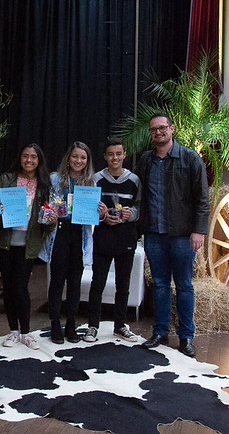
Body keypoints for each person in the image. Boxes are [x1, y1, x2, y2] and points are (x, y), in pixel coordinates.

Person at [137, 113, 209, 357]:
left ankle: (186, 336)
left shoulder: (190, 158)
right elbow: (140, 196)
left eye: (162, 128)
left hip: (182, 235)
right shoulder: (146, 160)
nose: (158, 132)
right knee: (159, 285)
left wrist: (198, 230)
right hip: (154, 234)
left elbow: (202, 198)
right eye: (153, 130)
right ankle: (160, 332)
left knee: (184, 286)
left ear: (172, 128)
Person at [0, 143, 53, 350]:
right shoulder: (5, 180)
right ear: (20, 158)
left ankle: (26, 332)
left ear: (39, 160)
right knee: (8, 288)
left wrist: (51, 219)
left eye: (33, 157)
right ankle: (13, 331)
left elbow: (47, 218)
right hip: (5, 242)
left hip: (29, 243)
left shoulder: (44, 184)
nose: (29, 160)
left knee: (20, 287)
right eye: (25, 156)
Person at [84, 137, 141, 343]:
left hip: (126, 238)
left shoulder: (134, 180)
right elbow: (88, 209)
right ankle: (92, 326)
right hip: (103, 238)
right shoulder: (96, 179)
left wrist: (130, 214)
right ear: (105, 156)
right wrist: (101, 216)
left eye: (118, 153)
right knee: (97, 283)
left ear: (124, 154)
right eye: (110, 154)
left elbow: (140, 207)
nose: (115, 158)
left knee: (123, 285)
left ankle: (120, 326)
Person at [40, 141, 95, 344]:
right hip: (59, 233)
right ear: (68, 158)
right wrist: (48, 214)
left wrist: (98, 211)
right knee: (57, 281)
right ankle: (55, 324)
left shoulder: (90, 183)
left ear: (87, 161)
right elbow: (43, 207)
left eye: (83, 157)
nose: (78, 161)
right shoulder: (54, 179)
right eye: (75, 156)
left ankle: (71, 324)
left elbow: (93, 215)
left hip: (79, 235)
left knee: (74, 282)